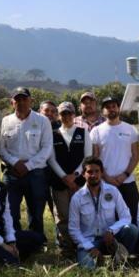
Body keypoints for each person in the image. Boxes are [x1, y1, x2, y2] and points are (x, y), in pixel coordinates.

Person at [0, 87, 53, 235]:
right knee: (10, 211)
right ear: (12, 102)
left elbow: (47, 148)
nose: (21, 102)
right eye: (17, 99)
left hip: (35, 173)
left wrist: (28, 166)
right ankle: (14, 241)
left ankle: (37, 242)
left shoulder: (42, 121)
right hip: (11, 172)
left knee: (36, 212)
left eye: (24, 99)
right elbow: (0, 148)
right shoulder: (5, 121)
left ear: (31, 101)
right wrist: (15, 162)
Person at [68, 156, 139, 269]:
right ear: (83, 174)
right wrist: (90, 247)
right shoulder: (77, 198)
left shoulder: (113, 191)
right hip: (89, 242)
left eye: (97, 171)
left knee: (132, 229)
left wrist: (111, 230)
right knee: (87, 268)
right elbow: (73, 229)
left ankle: (122, 260)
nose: (93, 175)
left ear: (102, 173)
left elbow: (126, 217)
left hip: (111, 239)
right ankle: (97, 262)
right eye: (89, 172)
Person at [47, 101, 92, 252]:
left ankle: (82, 244)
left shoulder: (83, 132)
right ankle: (66, 246)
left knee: (81, 214)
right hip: (59, 182)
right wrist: (64, 177)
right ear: (58, 116)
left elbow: (87, 157)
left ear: (74, 114)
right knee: (63, 215)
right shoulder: (52, 134)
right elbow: (51, 159)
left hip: (79, 182)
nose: (66, 116)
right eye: (63, 114)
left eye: (69, 113)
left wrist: (74, 175)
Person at [91, 95, 139, 222]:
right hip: (105, 182)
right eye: (107, 107)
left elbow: (135, 156)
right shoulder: (96, 131)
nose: (111, 109)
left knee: (133, 216)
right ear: (103, 111)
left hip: (127, 181)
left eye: (114, 106)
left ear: (118, 108)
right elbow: (95, 159)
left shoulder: (131, 129)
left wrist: (125, 175)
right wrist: (106, 177)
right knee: (109, 218)